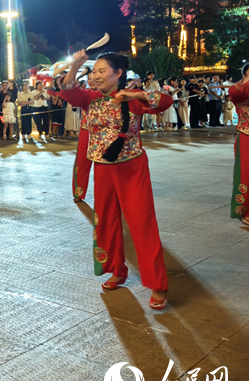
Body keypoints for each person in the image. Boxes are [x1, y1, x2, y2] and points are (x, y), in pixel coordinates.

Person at [60, 50, 172, 309]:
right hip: (103, 168)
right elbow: (67, 90)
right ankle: (117, 270)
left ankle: (157, 283)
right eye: (94, 72)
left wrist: (134, 93)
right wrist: (75, 66)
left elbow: (164, 101)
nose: (96, 77)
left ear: (119, 73)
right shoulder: (91, 99)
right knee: (105, 222)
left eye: (102, 71)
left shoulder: (132, 99)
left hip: (131, 168)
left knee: (141, 223)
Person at [228, 63, 249, 225]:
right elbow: (234, 93)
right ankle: (246, 209)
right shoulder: (239, 91)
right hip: (246, 137)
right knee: (246, 175)